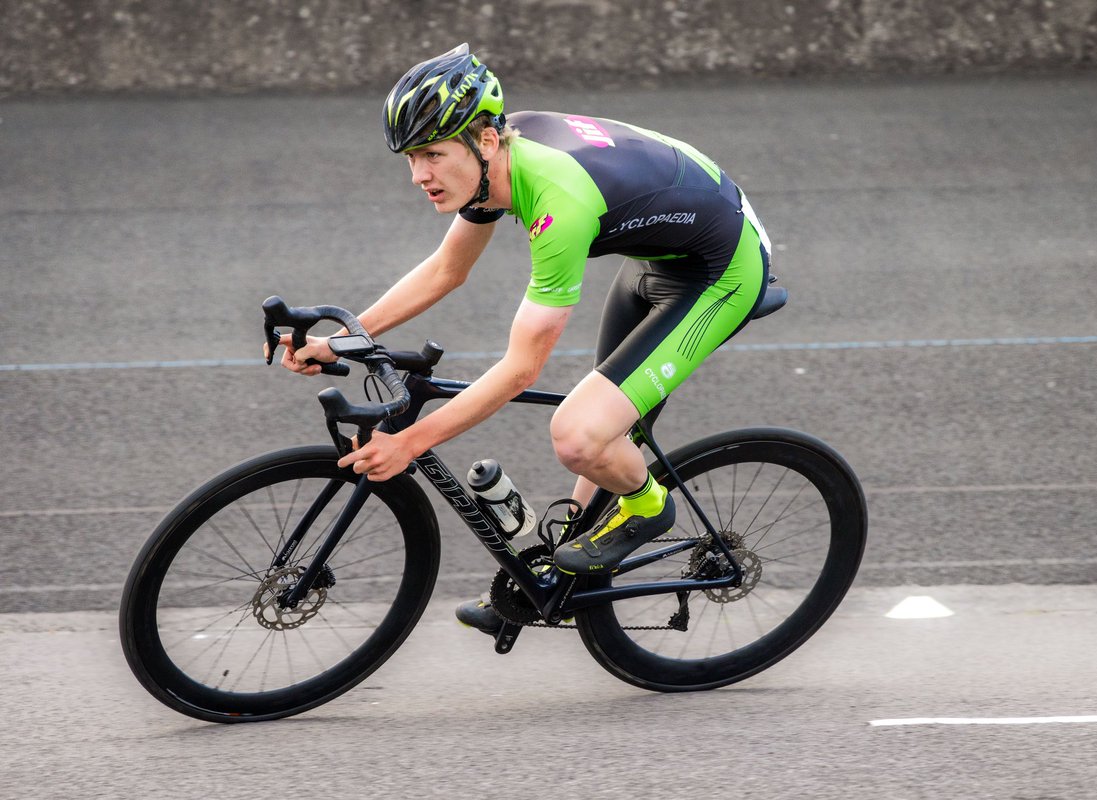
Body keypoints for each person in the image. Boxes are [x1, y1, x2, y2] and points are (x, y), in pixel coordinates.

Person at [275, 44, 773, 635]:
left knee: (580, 433)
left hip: (723, 268)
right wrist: (341, 339)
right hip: (664, 253)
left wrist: (409, 442)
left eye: (432, 154)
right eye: (411, 158)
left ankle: (648, 505)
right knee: (606, 422)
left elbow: (521, 369)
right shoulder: (490, 163)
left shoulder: (556, 203)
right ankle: (549, 583)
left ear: (485, 140)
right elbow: (446, 270)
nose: (419, 175)